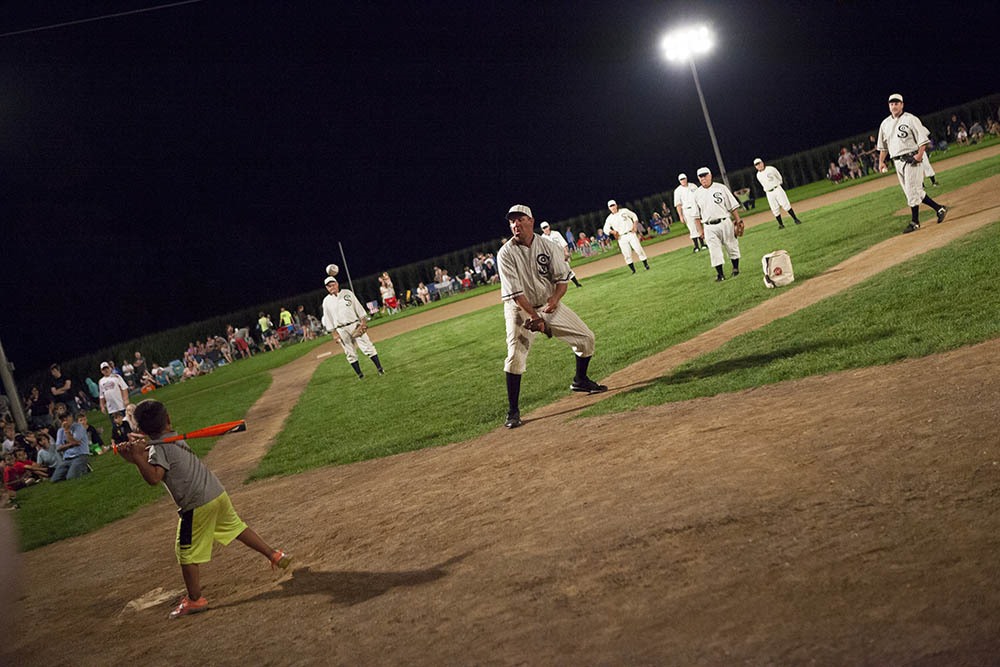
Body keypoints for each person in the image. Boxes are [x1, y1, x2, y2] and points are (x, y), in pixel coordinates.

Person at [115, 399, 291, 619]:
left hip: (196, 504)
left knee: (186, 554)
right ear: (168, 420)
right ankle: (274, 555)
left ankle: (195, 600)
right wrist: (137, 457)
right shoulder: (173, 438)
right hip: (216, 493)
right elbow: (156, 460)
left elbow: (153, 477)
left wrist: (138, 457)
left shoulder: (157, 449)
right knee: (236, 528)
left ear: (140, 429)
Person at [498, 205, 607, 429]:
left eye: (520, 219)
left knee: (586, 338)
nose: (515, 225)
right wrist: (534, 318)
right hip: (519, 309)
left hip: (548, 303)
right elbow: (516, 293)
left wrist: (555, 301)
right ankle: (513, 411)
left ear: (531, 220)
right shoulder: (505, 253)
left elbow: (562, 279)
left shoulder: (548, 246)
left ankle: (580, 380)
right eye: (511, 221)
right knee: (515, 357)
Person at [877, 93, 947, 234]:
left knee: (911, 191)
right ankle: (939, 208)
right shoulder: (884, 124)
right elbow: (883, 147)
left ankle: (915, 222)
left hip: (911, 160)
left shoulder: (911, 119)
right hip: (897, 162)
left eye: (897, 103)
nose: (894, 106)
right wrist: (881, 162)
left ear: (902, 105)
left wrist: (919, 155)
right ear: (889, 106)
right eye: (891, 104)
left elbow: (923, 140)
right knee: (915, 191)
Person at [320, 276, 385, 379]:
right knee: (350, 353)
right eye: (328, 286)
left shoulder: (347, 293)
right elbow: (328, 319)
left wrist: (363, 322)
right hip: (341, 329)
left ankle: (380, 368)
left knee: (368, 346)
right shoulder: (326, 301)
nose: (331, 287)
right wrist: (334, 334)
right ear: (327, 288)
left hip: (354, 325)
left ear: (337, 284)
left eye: (332, 285)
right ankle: (360, 375)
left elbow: (358, 307)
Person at [692, 167, 744, 282]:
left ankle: (735, 268)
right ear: (698, 179)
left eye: (705, 175)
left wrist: (738, 220)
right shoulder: (696, 194)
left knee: (731, 245)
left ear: (710, 175)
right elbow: (695, 216)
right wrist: (700, 232)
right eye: (701, 176)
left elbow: (732, 206)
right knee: (714, 250)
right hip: (709, 226)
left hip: (725, 222)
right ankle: (720, 274)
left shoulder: (721, 188)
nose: (703, 178)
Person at [753, 158, 803, 229]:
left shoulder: (770, 169)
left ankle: (795, 219)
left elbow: (779, 176)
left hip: (777, 189)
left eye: (759, 163)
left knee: (785, 204)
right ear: (755, 167)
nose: (759, 165)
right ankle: (781, 225)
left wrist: (778, 184)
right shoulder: (758, 175)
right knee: (774, 208)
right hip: (769, 193)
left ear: (762, 163)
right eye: (756, 165)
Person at [603, 200, 649, 274]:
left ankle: (646, 265)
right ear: (609, 208)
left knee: (638, 249)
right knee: (627, 254)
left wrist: (635, 226)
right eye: (611, 206)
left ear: (616, 205)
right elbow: (605, 229)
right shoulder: (609, 218)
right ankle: (633, 270)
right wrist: (613, 232)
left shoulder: (624, 211)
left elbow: (634, 216)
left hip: (630, 233)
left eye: (613, 205)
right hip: (621, 237)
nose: (613, 207)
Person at [539, 221, 583, 287]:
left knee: (567, 269)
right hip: (551, 257)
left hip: (560, 254)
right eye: (544, 228)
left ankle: (577, 284)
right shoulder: (542, 238)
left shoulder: (556, 234)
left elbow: (563, 243)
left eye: (546, 227)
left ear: (549, 227)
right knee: (554, 273)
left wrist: (566, 253)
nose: (546, 229)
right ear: (542, 229)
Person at [674, 173, 708, 253]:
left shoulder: (693, 186)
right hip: (687, 210)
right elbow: (678, 204)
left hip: (696, 208)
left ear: (686, 178)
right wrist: (681, 216)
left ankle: (703, 244)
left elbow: (699, 197)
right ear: (679, 181)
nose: (683, 181)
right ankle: (696, 246)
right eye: (681, 179)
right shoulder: (678, 191)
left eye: (684, 179)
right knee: (692, 228)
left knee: (699, 226)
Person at [51, 413, 90, 482]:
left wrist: (67, 431)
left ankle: (84, 468)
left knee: (71, 478)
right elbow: (58, 448)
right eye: (62, 419)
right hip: (67, 458)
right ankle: (80, 468)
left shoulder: (79, 427)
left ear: (71, 417)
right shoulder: (60, 431)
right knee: (55, 479)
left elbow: (75, 441)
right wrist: (71, 444)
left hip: (80, 455)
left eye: (66, 418)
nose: (64, 420)